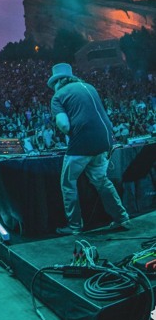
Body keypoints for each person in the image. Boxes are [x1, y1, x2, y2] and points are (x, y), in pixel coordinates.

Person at [47, 63, 130, 235]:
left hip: (82, 142)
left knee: (68, 183)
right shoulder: (89, 87)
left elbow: (63, 124)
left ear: (57, 82)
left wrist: (72, 134)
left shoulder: (58, 96)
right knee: (101, 180)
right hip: (105, 140)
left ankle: (75, 226)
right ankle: (121, 217)